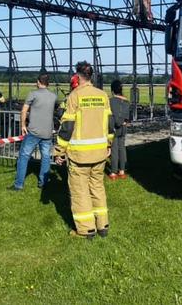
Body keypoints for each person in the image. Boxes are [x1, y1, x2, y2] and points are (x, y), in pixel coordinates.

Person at [55, 61, 115, 239]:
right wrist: (108, 145)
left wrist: (59, 151)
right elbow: (110, 124)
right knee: (97, 188)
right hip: (100, 153)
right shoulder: (103, 95)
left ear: (77, 77)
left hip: (80, 155)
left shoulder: (75, 96)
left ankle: (86, 230)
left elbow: (67, 127)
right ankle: (102, 225)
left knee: (80, 191)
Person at [9, 73, 57, 191]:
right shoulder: (53, 96)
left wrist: (23, 125)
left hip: (34, 131)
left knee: (24, 156)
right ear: (48, 83)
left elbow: (24, 110)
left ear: (38, 82)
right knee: (46, 157)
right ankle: (43, 183)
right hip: (47, 132)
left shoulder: (33, 94)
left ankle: (19, 184)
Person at [109, 79, 131, 180]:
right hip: (123, 127)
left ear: (112, 90)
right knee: (122, 148)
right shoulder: (126, 101)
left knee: (114, 149)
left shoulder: (111, 101)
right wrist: (123, 122)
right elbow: (127, 117)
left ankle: (113, 172)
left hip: (114, 127)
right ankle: (122, 171)